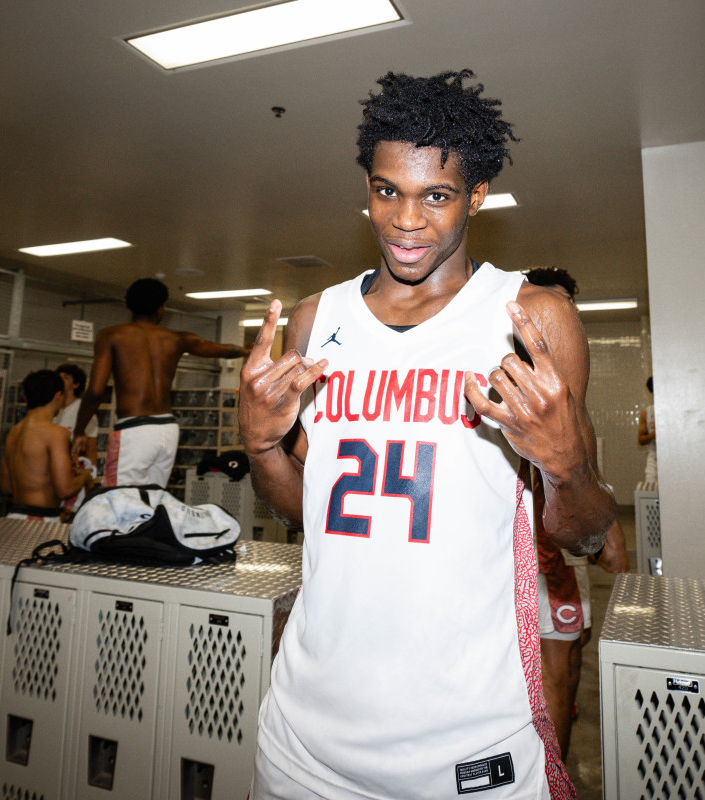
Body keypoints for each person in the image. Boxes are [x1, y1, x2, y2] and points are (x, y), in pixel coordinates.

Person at [240, 70, 614, 800]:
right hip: (303, 740)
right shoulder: (319, 319)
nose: (405, 220)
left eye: (436, 196)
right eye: (387, 191)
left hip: (468, 743)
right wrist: (260, 446)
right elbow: (303, 511)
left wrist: (566, 468)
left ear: (476, 197)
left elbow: (585, 531)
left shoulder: (529, 317)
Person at [524, 267, 629, 762]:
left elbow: (584, 462)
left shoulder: (569, 387)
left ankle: (555, 767)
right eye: (545, 305)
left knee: (571, 647)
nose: (555, 317)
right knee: (546, 658)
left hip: (562, 544)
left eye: (564, 307)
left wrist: (610, 528)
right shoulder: (501, 371)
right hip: (517, 543)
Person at [73, 278, 251, 487]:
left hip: (134, 429)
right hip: (167, 429)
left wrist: (79, 430)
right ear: (160, 308)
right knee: (154, 498)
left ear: (129, 305)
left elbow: (95, 391)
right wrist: (248, 350)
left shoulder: (112, 335)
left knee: (120, 499)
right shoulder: (176, 338)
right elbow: (227, 350)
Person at [1, 369, 94, 521]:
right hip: (40, 520)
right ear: (58, 396)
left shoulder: (13, 432)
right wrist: (84, 476)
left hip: (14, 516)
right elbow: (65, 489)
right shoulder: (56, 433)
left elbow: (6, 487)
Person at [54, 362, 98, 465]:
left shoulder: (83, 411)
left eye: (66, 377)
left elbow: (91, 448)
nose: (60, 380)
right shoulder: (51, 408)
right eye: (58, 377)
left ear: (76, 384)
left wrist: (91, 476)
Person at [638, 375, 656, 483]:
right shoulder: (647, 412)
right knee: (651, 493)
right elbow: (641, 440)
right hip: (653, 460)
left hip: (671, 459)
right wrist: (654, 434)